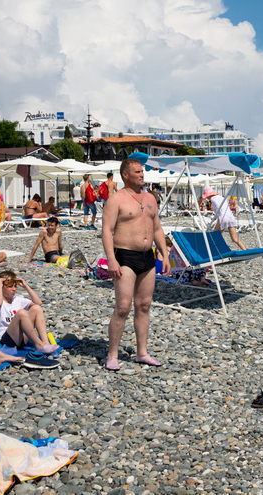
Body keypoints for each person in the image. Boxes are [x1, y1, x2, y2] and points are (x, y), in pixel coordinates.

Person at [102, 158, 170, 370]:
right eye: (138, 172)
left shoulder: (150, 198)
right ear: (125, 175)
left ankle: (142, 352)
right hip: (124, 256)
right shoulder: (116, 199)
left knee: (144, 305)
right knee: (123, 307)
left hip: (147, 257)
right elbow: (106, 230)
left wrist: (164, 253)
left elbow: (157, 228)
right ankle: (112, 355)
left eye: (143, 171)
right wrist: (111, 260)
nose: (142, 174)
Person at [0, 270, 59, 354]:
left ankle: (45, 343)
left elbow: (38, 303)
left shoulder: (16, 299)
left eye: (15, 286)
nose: (13, 289)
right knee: (21, 313)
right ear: (1, 287)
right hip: (6, 340)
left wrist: (26, 286)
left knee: (36, 308)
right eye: (10, 286)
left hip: (21, 338)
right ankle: (38, 345)